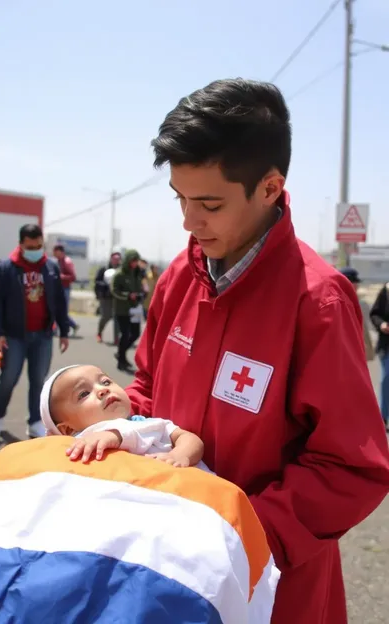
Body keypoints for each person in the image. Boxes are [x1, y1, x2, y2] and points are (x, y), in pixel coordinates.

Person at [125, 79, 389, 624]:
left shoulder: (316, 302)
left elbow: (349, 466)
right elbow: (146, 388)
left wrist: (236, 535)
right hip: (163, 564)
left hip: (266, 586)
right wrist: (103, 425)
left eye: (209, 203)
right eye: (180, 198)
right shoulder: (179, 276)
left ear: (269, 188)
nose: (188, 221)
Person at [0, 224, 69, 440]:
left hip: (43, 336)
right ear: (21, 244)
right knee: (8, 379)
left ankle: (34, 421)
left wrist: (64, 331)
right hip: (14, 336)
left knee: (38, 381)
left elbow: (59, 302)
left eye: (39, 246)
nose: (35, 250)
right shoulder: (7, 268)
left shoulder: (50, 268)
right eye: (31, 246)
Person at [40, 364, 204, 467]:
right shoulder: (74, 446)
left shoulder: (144, 424)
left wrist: (180, 454)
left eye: (105, 381)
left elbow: (188, 438)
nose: (102, 389)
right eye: (83, 393)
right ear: (68, 430)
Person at [112, 249, 144, 372]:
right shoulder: (119, 274)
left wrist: (141, 294)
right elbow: (115, 291)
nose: (135, 263)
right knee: (125, 334)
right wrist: (128, 295)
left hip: (135, 309)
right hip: (122, 310)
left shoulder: (137, 273)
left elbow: (140, 286)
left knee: (135, 334)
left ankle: (121, 353)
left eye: (136, 261)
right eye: (133, 261)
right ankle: (121, 360)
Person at [340, 267, 374, 362]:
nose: (357, 285)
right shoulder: (340, 301)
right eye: (354, 282)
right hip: (347, 351)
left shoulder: (357, 301)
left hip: (359, 349)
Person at [370, 281, 389, 431]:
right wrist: (382, 324)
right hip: (387, 345)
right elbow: (375, 314)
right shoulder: (386, 290)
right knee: (386, 380)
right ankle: (383, 418)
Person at [94, 251, 121, 344]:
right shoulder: (103, 269)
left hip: (117, 298)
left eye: (118, 259)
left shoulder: (121, 271)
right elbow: (97, 281)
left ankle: (116, 338)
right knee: (106, 316)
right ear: (111, 259)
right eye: (114, 259)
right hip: (105, 297)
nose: (116, 261)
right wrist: (106, 285)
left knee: (117, 318)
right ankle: (99, 333)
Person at [53, 244, 79, 336]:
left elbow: (73, 277)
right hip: (58, 288)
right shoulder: (58, 261)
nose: (54, 254)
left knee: (61, 310)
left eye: (55, 252)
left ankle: (70, 326)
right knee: (56, 309)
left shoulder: (67, 262)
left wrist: (61, 277)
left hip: (65, 288)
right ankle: (58, 329)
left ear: (60, 252)